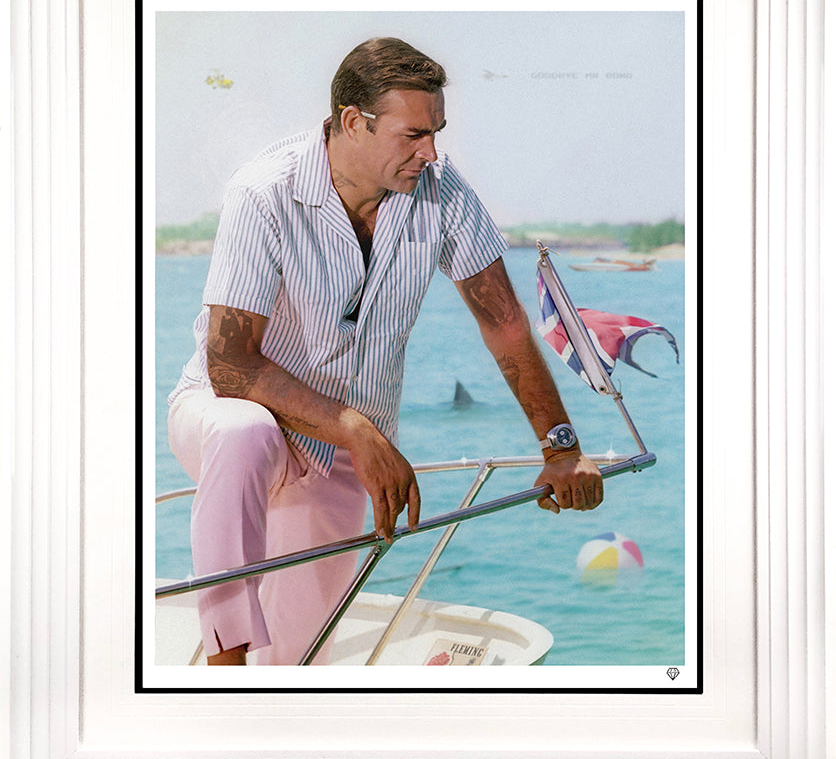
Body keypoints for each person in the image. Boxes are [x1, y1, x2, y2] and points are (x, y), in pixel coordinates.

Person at [167, 37, 604, 666]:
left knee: (297, 659)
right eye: (413, 135)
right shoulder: (263, 192)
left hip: (343, 456)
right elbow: (230, 365)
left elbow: (506, 323)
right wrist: (357, 429)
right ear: (354, 122)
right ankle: (224, 678)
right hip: (229, 413)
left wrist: (560, 448)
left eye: (436, 133)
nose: (431, 153)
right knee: (246, 432)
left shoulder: (442, 192)